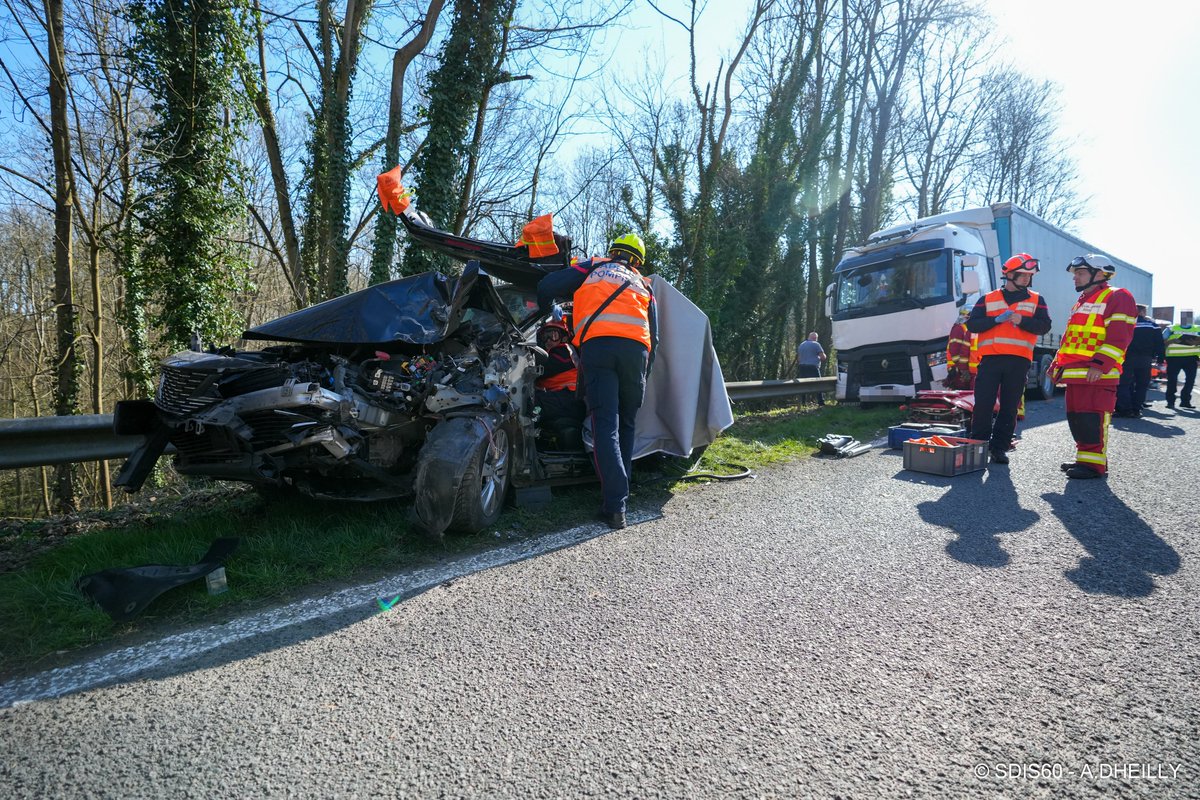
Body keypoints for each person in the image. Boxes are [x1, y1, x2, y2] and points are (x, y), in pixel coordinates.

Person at [537, 232, 658, 530]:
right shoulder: (644, 284)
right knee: (627, 422)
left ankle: (615, 506)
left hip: (598, 349)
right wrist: (644, 369)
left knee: (606, 425)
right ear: (637, 261)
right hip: (636, 354)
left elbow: (546, 286)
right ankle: (620, 498)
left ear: (612, 251)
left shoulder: (592, 266)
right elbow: (655, 335)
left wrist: (543, 313)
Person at [1052, 254, 1136, 479]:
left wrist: (1100, 364)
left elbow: (1120, 337)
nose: (1075, 278)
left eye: (1080, 273)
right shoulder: (1082, 302)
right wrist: (1056, 364)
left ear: (1099, 274)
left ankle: (1093, 465)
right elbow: (1070, 340)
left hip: (1097, 374)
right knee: (1077, 419)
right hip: (1077, 373)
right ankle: (1085, 458)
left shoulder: (1117, 296)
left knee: (1092, 419)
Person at [965, 253, 1052, 465]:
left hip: (1019, 361)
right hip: (990, 360)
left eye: (1029, 275)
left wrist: (1022, 321)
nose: (1026, 279)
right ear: (1009, 274)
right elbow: (972, 325)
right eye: (1022, 274)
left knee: (1009, 406)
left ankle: (999, 448)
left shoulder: (1036, 299)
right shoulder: (987, 299)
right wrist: (995, 320)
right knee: (983, 404)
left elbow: (1045, 326)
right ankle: (978, 445)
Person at [534, 316, 586, 447]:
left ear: (564, 337)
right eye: (545, 336)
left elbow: (546, 369)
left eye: (553, 335)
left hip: (570, 399)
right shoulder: (552, 353)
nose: (548, 340)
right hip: (563, 400)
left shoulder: (564, 351)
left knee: (529, 405)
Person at [1115, 305, 1166, 417]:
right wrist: (1161, 359)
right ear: (1142, 312)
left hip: (1126, 359)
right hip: (1145, 359)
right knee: (1142, 385)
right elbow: (1160, 343)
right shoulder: (1153, 326)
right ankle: (1137, 409)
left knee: (1123, 384)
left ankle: (1125, 409)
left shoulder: (1126, 324)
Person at [1162, 315, 1200, 410]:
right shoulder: (1171, 328)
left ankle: (1185, 401)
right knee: (1172, 380)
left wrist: (1196, 343)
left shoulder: (1198, 328)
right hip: (1174, 358)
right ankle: (1170, 402)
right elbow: (1161, 342)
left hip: (1191, 358)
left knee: (1190, 381)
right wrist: (1172, 341)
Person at [944, 307, 976, 390]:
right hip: (957, 368)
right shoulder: (959, 329)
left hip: (962, 368)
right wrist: (962, 369)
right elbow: (954, 350)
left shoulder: (966, 328)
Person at [796, 332, 827, 405]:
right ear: (815, 338)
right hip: (812, 367)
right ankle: (821, 401)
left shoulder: (802, 345)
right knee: (818, 383)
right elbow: (823, 357)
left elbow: (799, 359)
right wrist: (820, 357)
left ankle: (803, 402)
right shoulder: (816, 344)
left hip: (802, 367)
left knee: (803, 384)